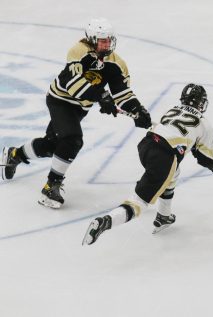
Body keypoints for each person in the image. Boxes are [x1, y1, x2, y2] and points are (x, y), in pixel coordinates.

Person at [0, 18, 151, 209]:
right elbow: (71, 84)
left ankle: (15, 155)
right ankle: (51, 186)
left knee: (51, 146)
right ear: (91, 39)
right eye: (102, 40)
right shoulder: (78, 51)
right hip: (60, 100)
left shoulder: (116, 63)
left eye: (109, 40)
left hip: (80, 108)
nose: (106, 44)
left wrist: (137, 109)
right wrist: (100, 96)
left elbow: (122, 92)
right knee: (72, 140)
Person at [82, 84, 213, 245]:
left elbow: (184, 138)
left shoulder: (173, 109)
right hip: (164, 156)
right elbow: (205, 158)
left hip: (146, 145)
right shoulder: (204, 124)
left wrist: (202, 148)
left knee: (174, 172)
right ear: (202, 103)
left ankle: (163, 216)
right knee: (139, 202)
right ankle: (106, 221)